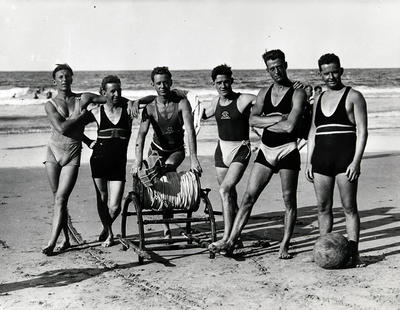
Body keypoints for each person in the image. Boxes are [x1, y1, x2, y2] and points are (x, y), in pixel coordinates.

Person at [212, 49, 307, 259]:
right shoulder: (264, 92)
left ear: (286, 65)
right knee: (248, 197)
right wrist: (277, 118)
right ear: (267, 70)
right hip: (266, 150)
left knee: (288, 200)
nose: (276, 71)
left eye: (279, 66)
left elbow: (291, 126)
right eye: (271, 68)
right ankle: (230, 241)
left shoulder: (298, 92)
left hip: (288, 150)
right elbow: (252, 120)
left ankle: (284, 245)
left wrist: (271, 121)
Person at [305, 53, 368, 267]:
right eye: (325, 73)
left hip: (345, 161)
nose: (330, 76)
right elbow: (313, 131)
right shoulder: (319, 98)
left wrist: (356, 161)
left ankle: (354, 253)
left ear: (341, 70)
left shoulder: (354, 96)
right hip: (321, 160)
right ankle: (323, 252)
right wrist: (309, 162)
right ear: (321, 74)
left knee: (349, 207)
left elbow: (362, 131)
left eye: (334, 71)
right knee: (322, 207)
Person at [42, 64, 106, 256]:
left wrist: (137, 102)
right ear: (54, 81)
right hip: (53, 152)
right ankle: (66, 238)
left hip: (72, 153)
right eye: (60, 77)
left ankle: (51, 243)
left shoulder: (82, 98)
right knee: (58, 199)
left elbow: (111, 97)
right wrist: (82, 117)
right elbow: (61, 128)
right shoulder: (49, 104)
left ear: (72, 79)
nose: (64, 80)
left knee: (61, 198)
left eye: (67, 76)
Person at [132, 66, 202, 238]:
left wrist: (194, 159)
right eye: (158, 83)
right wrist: (137, 161)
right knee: (157, 181)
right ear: (153, 85)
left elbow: (191, 131)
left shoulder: (181, 103)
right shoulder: (149, 108)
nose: (162, 86)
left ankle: (167, 224)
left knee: (167, 173)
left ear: (171, 82)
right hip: (156, 149)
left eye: (165, 82)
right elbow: (141, 136)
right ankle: (165, 225)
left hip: (176, 150)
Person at [201, 64, 255, 251]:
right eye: (219, 83)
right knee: (229, 194)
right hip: (221, 149)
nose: (223, 86)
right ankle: (235, 236)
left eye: (226, 82)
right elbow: (196, 114)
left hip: (241, 148)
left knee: (224, 190)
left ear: (231, 81)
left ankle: (226, 238)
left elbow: (268, 102)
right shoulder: (215, 103)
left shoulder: (244, 99)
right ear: (214, 84)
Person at [85, 75, 134, 247]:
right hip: (98, 160)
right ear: (103, 92)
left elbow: (150, 100)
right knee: (102, 198)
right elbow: (74, 127)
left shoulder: (128, 111)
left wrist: (132, 102)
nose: (116, 94)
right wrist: (87, 141)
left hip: (119, 163)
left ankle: (106, 227)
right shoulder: (96, 111)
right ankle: (110, 233)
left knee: (115, 207)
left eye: (119, 91)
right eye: (112, 91)